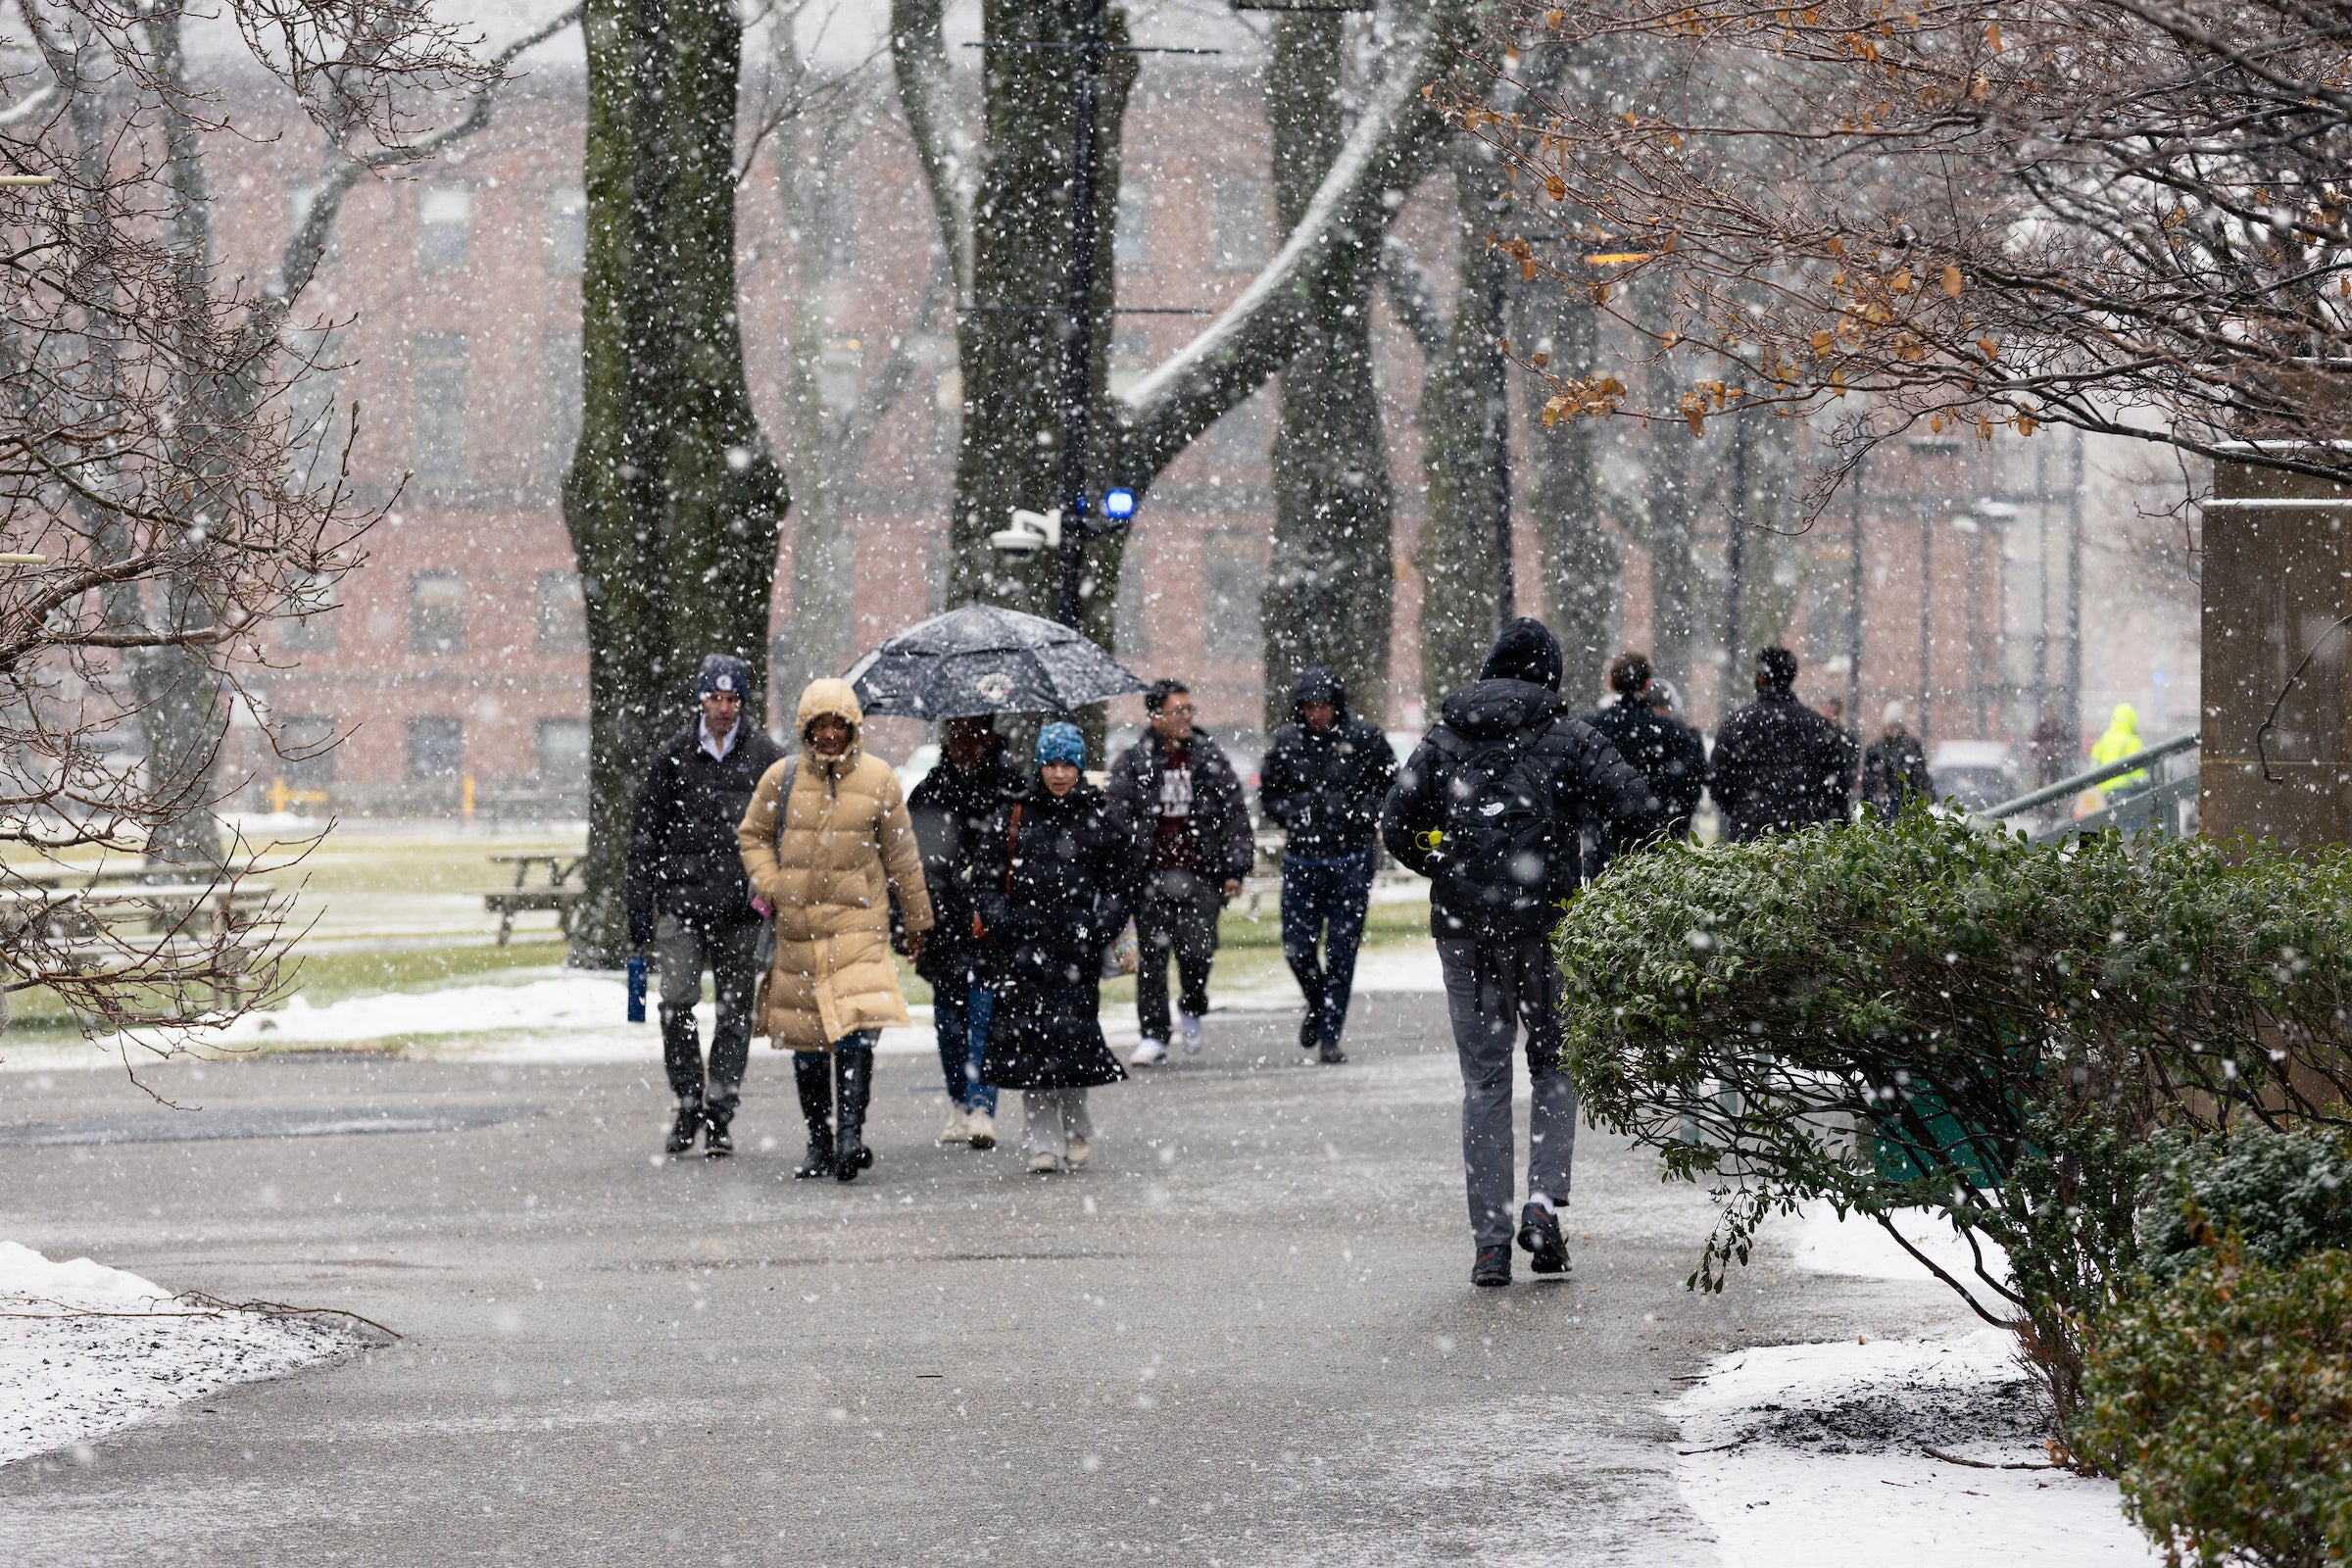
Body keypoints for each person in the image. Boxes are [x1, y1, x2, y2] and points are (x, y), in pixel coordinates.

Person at [1381, 618, 1656, 1289]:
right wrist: (1596, 869)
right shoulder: (1570, 736)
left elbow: (1396, 823)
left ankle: (1489, 1242)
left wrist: (1446, 864)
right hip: (1549, 926)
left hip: (1465, 930)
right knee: (1555, 1064)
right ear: (1550, 677)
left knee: (1484, 1082)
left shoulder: (1443, 739)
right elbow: (1640, 806)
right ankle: (1542, 1200)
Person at [737, 679, 932, 1184]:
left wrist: (918, 921)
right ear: (806, 729)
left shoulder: (880, 779)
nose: (828, 735)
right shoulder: (780, 779)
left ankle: (850, 1135)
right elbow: (752, 835)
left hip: (858, 926)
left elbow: (902, 857)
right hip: (798, 929)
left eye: (837, 726)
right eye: (819, 726)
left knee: (856, 1032)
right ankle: (819, 1141)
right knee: (806, 1041)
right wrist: (771, 883)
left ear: (852, 729)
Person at [624, 654, 788, 1159]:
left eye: (731, 698)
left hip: (742, 909)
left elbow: (783, 831)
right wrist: (639, 902)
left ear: (742, 701)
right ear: (700, 699)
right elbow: (644, 836)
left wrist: (771, 892)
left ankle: (721, 1108)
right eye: (715, 698)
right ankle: (689, 1099)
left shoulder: (765, 757)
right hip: (681, 904)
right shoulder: (672, 757)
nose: (722, 707)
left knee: (736, 1011)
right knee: (676, 1005)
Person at [972, 722, 1138, 1173]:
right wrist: (1003, 923)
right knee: (1030, 1049)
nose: (1059, 774)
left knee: (1070, 1044)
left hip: (1075, 952)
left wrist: (1098, 927)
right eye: (1051, 764)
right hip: (1024, 951)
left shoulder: (1100, 817)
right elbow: (987, 878)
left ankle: (1076, 1122)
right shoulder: (1014, 814)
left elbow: (1122, 882)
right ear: (1040, 765)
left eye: (1068, 764)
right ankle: (1041, 1142)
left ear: (1080, 767)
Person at [1107, 679, 1255, 1067]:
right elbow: (1117, 819)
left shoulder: (1209, 759)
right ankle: (1153, 1036)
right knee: (1151, 962)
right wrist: (1127, 863)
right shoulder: (1134, 763)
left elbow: (1234, 814)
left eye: (1189, 710)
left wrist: (1235, 867)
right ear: (1156, 717)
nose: (1186, 718)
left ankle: (1192, 1005)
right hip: (1151, 878)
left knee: (1197, 953)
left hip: (1200, 877)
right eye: (1178, 711)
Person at [1258, 667, 1396, 1064]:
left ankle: (1330, 1034)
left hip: (1351, 859)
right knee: (1297, 947)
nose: (1317, 714)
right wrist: (1297, 814)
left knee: (1341, 951)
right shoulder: (1286, 742)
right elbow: (1269, 795)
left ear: (1337, 707)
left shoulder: (1365, 739)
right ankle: (1318, 1004)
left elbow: (1390, 786)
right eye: (1309, 707)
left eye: (1323, 706)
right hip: (1303, 859)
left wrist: (1360, 814)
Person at [906, 714, 1026, 1152]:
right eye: (954, 732)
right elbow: (912, 859)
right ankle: (958, 1099)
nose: (962, 742)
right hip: (943, 922)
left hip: (991, 922)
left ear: (990, 734)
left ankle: (981, 1104)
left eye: (971, 732)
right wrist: (912, 920)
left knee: (985, 1014)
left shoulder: (1011, 787)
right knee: (949, 1019)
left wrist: (994, 899)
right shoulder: (930, 790)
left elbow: (1020, 851)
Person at [1707, 645, 1860, 842]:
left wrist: (1742, 809)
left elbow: (1718, 780)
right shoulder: (1818, 727)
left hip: (1749, 833)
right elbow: (1837, 788)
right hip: (1802, 835)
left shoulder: (1737, 724)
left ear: (1762, 676)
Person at [1582, 651, 1706, 844]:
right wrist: (1672, 828)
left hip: (1602, 840)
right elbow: (1689, 785)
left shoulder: (1589, 728)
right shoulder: (1671, 732)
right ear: (1647, 684)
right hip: (1655, 842)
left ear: (1611, 683)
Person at [1859, 701, 1934, 819]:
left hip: (1904, 804)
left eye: (1896, 727)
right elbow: (1868, 782)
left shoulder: (1911, 747)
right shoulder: (1876, 749)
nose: (1893, 731)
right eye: (1891, 726)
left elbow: (1920, 777)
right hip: (1884, 805)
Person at [2089, 703, 2148, 794]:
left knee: (2114, 808)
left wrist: (2099, 780)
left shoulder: (2105, 737)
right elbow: (2139, 769)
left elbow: (2095, 760)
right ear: (2131, 720)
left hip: (2106, 788)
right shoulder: (2132, 740)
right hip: (2126, 787)